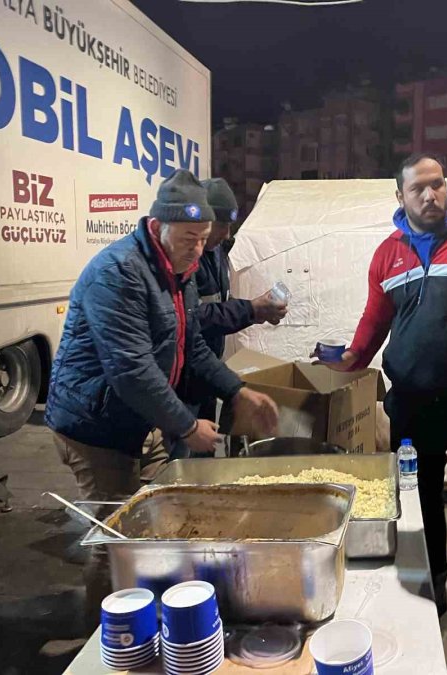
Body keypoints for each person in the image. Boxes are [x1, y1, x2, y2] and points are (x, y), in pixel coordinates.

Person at [45, 169, 278, 626]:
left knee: (168, 523)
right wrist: (187, 427)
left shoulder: (181, 271)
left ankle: (159, 623)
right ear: (157, 227)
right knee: (118, 539)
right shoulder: (118, 274)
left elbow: (190, 348)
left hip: (141, 421)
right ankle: (106, 641)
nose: (197, 249)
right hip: (95, 428)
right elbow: (131, 370)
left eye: (204, 239)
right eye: (188, 237)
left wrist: (238, 390)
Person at [317, 153, 447, 615]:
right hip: (412, 403)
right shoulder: (388, 255)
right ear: (400, 197)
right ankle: (436, 585)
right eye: (419, 188)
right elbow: (374, 324)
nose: (432, 195)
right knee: (421, 497)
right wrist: (345, 360)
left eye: (439, 185)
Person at [191, 178, 288, 421]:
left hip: (205, 377)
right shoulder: (185, 259)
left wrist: (258, 309)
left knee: (205, 453)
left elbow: (218, 303)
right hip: (184, 385)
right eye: (221, 224)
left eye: (229, 225)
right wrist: (250, 310)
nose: (227, 234)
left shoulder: (215, 253)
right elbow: (194, 318)